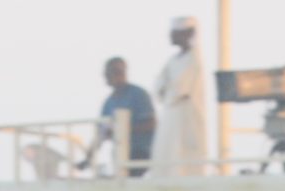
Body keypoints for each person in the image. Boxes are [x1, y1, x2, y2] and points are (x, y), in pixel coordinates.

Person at [151, 17, 208, 175]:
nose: (171, 36)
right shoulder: (172, 61)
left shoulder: (193, 60)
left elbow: (180, 90)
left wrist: (168, 91)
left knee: (184, 160)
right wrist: (167, 92)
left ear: (188, 34)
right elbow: (158, 87)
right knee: (165, 155)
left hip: (186, 118)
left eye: (175, 33)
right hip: (169, 117)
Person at [84, 57, 157, 177]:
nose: (106, 77)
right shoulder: (108, 102)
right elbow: (101, 133)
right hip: (120, 156)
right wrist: (88, 157)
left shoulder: (138, 94)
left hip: (141, 154)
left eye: (109, 73)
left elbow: (151, 124)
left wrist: (122, 130)